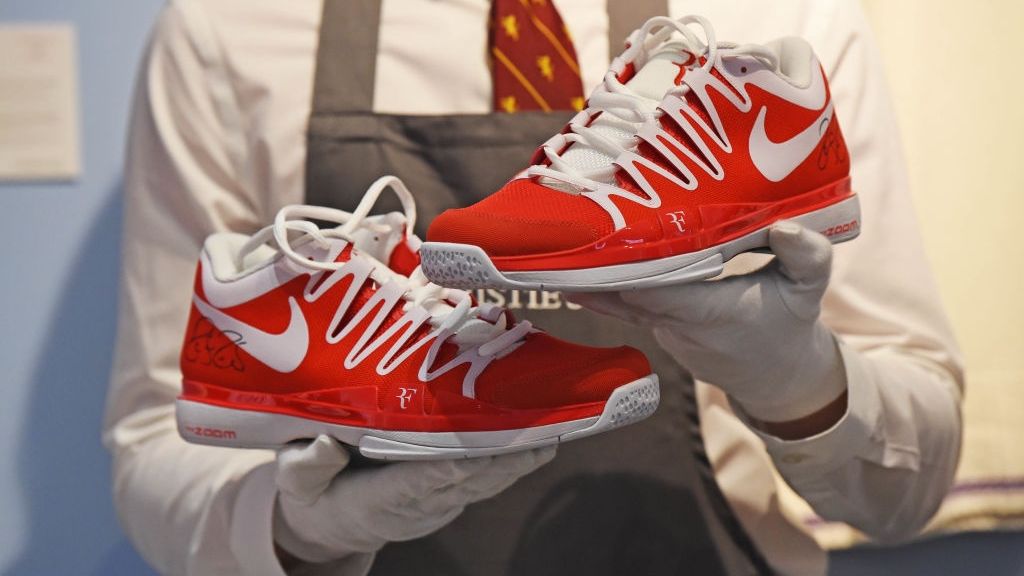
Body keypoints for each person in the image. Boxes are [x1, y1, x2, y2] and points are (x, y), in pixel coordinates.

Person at [103, 1, 963, 575]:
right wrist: (293, 531)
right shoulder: (230, 26)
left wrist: (797, 379)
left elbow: (907, 491)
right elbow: (166, 426)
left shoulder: (781, 15)